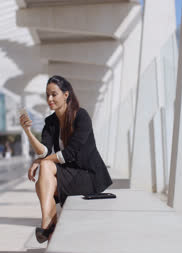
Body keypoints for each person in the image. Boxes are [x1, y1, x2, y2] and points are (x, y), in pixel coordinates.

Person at [19, 75, 112, 244]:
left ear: (66, 94)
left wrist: (40, 161)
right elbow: (45, 151)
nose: (50, 99)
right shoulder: (50, 122)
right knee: (47, 177)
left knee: (45, 175)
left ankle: (48, 227)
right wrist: (28, 133)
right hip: (69, 174)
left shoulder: (81, 116)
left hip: (89, 176)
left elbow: (70, 153)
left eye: (54, 94)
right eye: (47, 95)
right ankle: (48, 227)